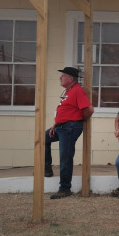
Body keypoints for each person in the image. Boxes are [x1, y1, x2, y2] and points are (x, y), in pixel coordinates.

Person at [45, 67, 94, 199]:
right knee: (43, 138)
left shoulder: (77, 90)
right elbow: (65, 110)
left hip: (70, 128)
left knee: (65, 157)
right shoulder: (68, 91)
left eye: (63, 75)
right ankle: (47, 168)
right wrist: (56, 123)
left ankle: (65, 188)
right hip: (61, 127)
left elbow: (89, 109)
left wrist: (78, 119)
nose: (61, 77)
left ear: (71, 78)